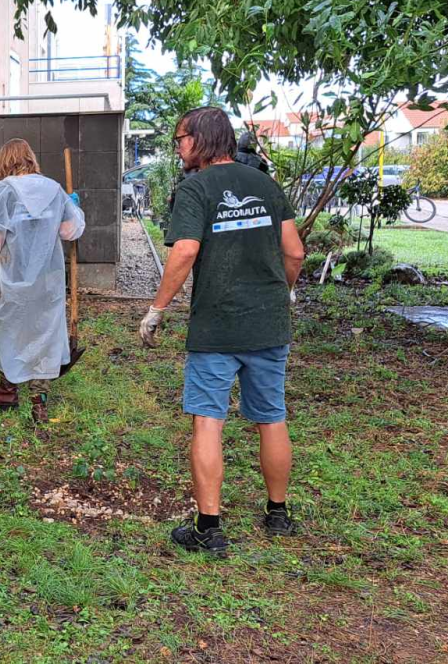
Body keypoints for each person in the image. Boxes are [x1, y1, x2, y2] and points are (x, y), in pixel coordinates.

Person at [139, 106, 307, 557]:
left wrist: (157, 309)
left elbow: (184, 251)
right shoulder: (265, 184)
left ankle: (208, 527)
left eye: (180, 139)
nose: (178, 148)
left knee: (208, 420)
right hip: (269, 323)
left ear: (200, 139)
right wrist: (283, 292)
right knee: (271, 416)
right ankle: (277, 513)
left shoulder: (196, 188)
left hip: (216, 325)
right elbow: (294, 252)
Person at [0, 138, 86, 423]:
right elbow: (70, 230)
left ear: (4, 162)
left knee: (7, 329)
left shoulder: (3, 194)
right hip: (47, 281)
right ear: (30, 158)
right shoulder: (54, 190)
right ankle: (38, 403)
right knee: (43, 334)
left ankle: (7, 389)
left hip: (11, 280)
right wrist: (72, 207)